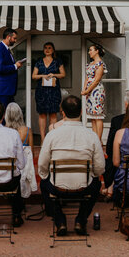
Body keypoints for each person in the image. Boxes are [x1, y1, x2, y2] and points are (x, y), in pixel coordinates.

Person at [38, 95, 105, 236]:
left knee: (44, 184)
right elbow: (99, 168)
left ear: (62, 112)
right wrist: (90, 174)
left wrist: (46, 176)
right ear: (81, 112)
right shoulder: (91, 135)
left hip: (57, 187)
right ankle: (81, 220)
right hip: (83, 186)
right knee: (96, 185)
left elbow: (42, 166)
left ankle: (60, 221)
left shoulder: (52, 135)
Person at [32, 42, 66, 144]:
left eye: (49, 48)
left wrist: (53, 74)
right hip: (41, 91)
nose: (47, 50)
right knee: (42, 114)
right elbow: (34, 76)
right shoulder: (39, 61)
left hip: (54, 91)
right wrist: (43, 76)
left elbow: (63, 74)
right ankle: (43, 139)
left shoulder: (57, 61)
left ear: (53, 50)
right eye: (45, 48)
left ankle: (52, 139)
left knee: (53, 114)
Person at [5, 102, 37, 199]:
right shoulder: (27, 130)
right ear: (20, 114)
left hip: (9, 172)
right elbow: (32, 153)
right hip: (24, 169)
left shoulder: (4, 131)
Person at [0, 28, 24, 113]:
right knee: (2, 114)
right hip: (2, 90)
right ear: (8, 37)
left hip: (7, 90)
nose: (15, 41)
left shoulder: (6, 49)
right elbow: (0, 68)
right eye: (14, 38)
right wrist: (15, 66)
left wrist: (15, 65)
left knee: (9, 114)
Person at [81, 43, 107, 141]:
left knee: (98, 116)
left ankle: (99, 140)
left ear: (97, 51)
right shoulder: (90, 64)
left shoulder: (100, 64)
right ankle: (94, 138)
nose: (89, 52)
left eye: (91, 50)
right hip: (89, 92)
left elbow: (96, 80)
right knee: (92, 116)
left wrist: (87, 90)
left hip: (96, 91)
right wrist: (84, 89)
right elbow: (87, 78)